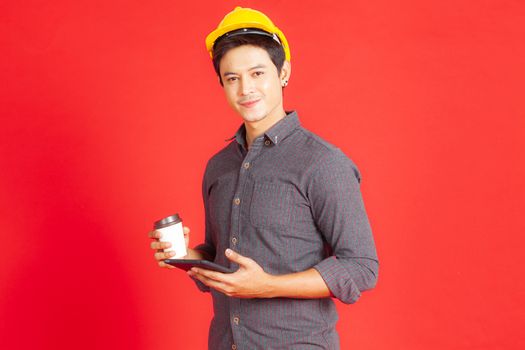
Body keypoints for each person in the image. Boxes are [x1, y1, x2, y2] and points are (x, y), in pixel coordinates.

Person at [149, 6, 379, 349]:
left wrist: (267, 286)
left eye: (257, 73)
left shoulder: (322, 163)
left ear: (283, 71)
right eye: (232, 78)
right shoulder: (219, 167)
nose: (245, 89)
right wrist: (184, 256)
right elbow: (220, 256)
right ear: (222, 84)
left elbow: (361, 267)